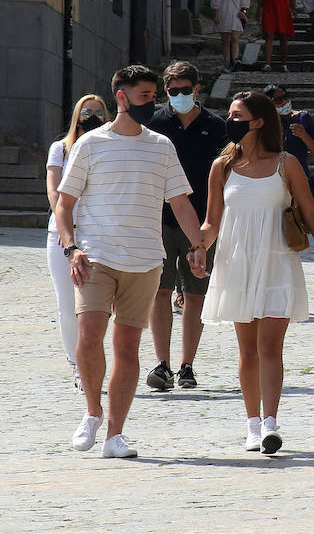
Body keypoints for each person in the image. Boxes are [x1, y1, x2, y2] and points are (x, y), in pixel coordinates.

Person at [55, 65, 206, 458]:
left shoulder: (161, 146)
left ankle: (114, 435)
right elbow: (64, 203)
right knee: (89, 334)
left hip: (144, 259)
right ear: (121, 98)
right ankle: (92, 412)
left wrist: (198, 246)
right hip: (95, 256)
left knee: (127, 346)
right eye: (145, 97)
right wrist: (72, 248)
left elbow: (180, 202)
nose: (152, 103)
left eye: (154, 97)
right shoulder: (90, 144)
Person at [200, 90, 314, 453]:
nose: (230, 120)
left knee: (270, 347)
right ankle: (250, 424)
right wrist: (197, 247)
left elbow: (310, 212)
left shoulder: (286, 163)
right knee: (247, 351)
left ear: (259, 121)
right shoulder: (222, 167)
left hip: (277, 261)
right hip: (237, 263)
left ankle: (270, 423)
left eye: (237, 114)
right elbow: (211, 222)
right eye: (230, 114)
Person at [146, 61, 228, 393]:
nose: (178, 96)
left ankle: (187, 366)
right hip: (160, 221)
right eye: (172, 91)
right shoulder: (153, 123)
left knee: (195, 295)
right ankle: (162, 363)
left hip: (203, 224)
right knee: (160, 291)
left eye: (184, 90)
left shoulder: (216, 125)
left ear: (197, 89)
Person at [45, 94, 110, 391]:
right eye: (87, 112)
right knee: (67, 303)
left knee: (95, 305)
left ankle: (92, 360)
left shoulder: (111, 147)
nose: (92, 116)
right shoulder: (61, 148)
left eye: (98, 111)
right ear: (76, 116)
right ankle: (77, 365)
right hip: (62, 233)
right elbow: (54, 190)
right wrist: (65, 226)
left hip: (98, 231)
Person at [266, 84, 314, 189]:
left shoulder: (302, 118)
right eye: (278, 100)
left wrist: (304, 136)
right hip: (272, 182)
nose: (284, 102)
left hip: (299, 180)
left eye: (286, 97)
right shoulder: (264, 123)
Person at [210, 0, 251, 70]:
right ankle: (227, 61)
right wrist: (216, 15)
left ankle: (235, 59)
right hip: (223, 12)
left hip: (236, 12)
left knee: (235, 38)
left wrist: (243, 10)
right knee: (225, 39)